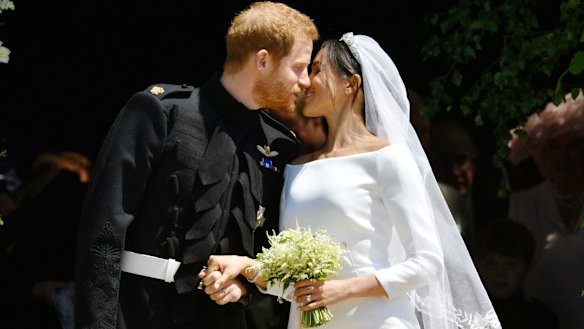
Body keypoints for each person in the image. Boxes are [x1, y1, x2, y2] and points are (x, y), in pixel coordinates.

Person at [199, 33, 500, 329]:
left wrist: (340, 290)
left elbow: (427, 262)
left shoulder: (388, 158)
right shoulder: (296, 167)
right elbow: (294, 285)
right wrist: (246, 267)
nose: (305, 81)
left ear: (350, 84)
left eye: (317, 70)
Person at [73, 2, 319, 329]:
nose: (305, 82)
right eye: (299, 67)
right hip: (139, 313)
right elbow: (103, 231)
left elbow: (270, 251)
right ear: (262, 60)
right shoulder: (161, 112)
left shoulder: (281, 147)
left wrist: (244, 288)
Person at [507, 90, 584, 329]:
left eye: (573, 145)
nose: (563, 156)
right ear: (541, 152)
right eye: (553, 146)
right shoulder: (523, 203)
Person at [474, 219, 558, 329]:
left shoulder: (541, 319)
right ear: (477, 265)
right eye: (491, 264)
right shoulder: (464, 316)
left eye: (511, 264)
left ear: (527, 267)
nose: (500, 274)